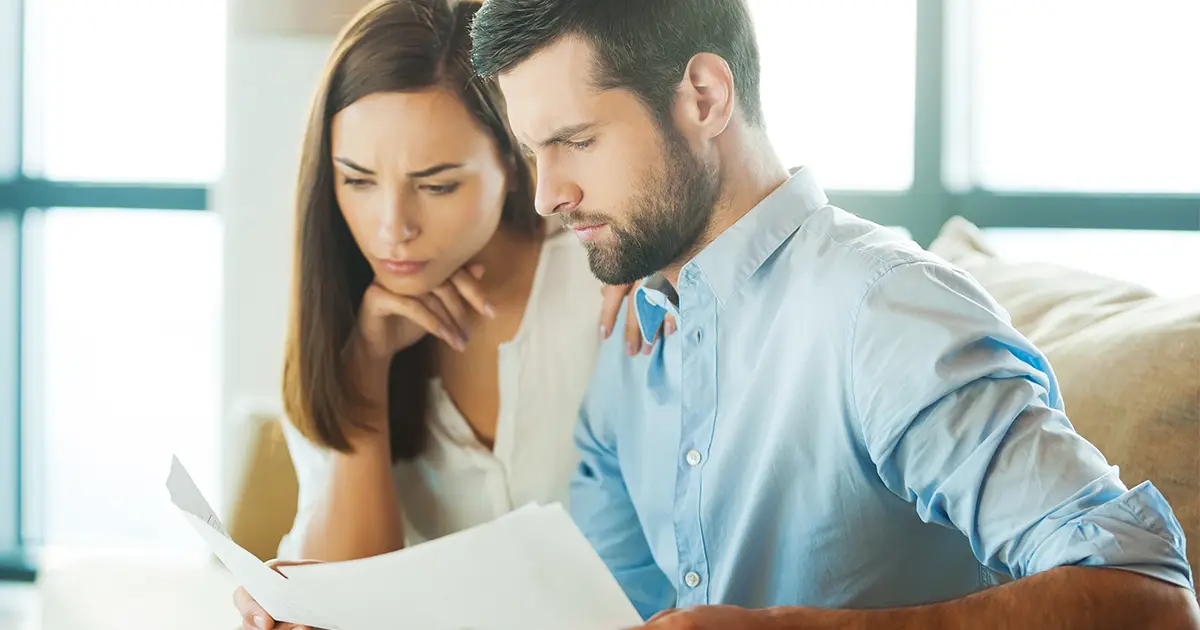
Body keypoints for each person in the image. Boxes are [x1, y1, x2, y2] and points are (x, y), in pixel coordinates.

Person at [470, 0, 1200, 628]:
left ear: (703, 97)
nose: (547, 195)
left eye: (576, 141)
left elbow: (1148, 597)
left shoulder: (886, 312)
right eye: (536, 153)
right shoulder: (631, 346)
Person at [230, 1, 665, 629]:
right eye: (357, 180)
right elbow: (341, 603)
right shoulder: (343, 326)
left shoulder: (611, 287)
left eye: (436, 186)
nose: (392, 229)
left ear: (515, 164)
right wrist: (367, 366)